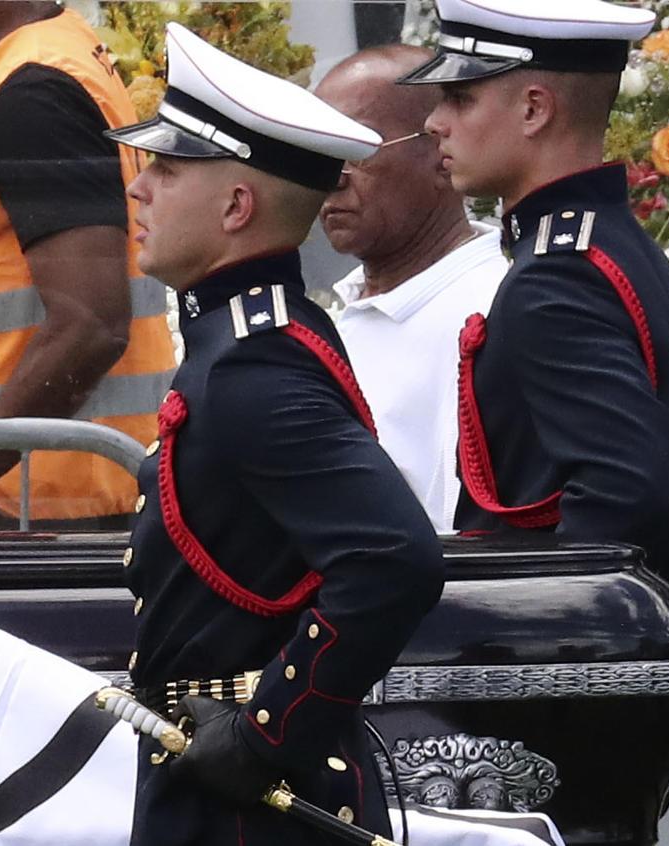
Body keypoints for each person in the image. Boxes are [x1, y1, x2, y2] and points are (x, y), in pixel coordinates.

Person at [110, 24, 444, 846]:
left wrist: (265, 735)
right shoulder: (248, 342)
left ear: (235, 206)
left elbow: (390, 559)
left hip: (247, 809)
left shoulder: (252, 370)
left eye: (168, 168)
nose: (139, 188)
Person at [399, 0, 669, 621]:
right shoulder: (609, 247)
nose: (435, 122)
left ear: (535, 109)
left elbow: (624, 498)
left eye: (459, 98)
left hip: (564, 695)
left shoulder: (559, 279)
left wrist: (553, 653)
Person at [0, 0, 177, 531]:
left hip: (38, 501)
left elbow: (90, 323)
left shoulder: (32, 92)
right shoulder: (16, 68)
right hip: (23, 487)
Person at [315, 45, 508, 532]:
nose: (329, 179)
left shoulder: (485, 311)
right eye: (316, 153)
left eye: (355, 150)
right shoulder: (353, 301)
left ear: (441, 153)